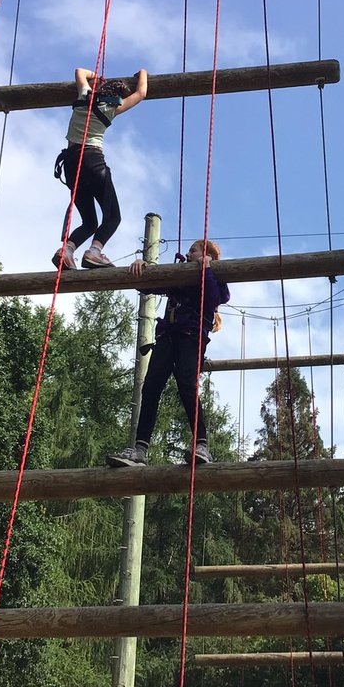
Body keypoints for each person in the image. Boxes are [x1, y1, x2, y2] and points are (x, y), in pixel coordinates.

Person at [108, 239, 230, 467]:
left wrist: (207, 269)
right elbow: (150, 285)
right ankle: (140, 449)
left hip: (190, 336)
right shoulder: (179, 274)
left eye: (193, 250)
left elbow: (215, 298)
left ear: (207, 255)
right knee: (152, 386)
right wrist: (141, 267)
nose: (188, 253)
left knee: (187, 385)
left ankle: (201, 444)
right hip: (167, 337)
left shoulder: (212, 275)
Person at [52, 66, 148, 270]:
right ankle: (94, 252)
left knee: (89, 222)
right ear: (118, 96)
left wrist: (98, 78)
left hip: (70, 163)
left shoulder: (84, 95)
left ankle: (67, 251)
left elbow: (79, 71)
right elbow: (141, 93)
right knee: (113, 217)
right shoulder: (112, 108)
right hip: (92, 160)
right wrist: (143, 73)